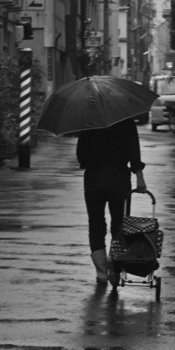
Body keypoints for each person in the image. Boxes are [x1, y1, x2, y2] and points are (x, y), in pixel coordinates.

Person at [76, 119, 147, 285]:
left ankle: (101, 272)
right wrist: (139, 176)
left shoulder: (89, 121)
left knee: (96, 223)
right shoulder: (126, 121)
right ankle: (115, 263)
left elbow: (81, 154)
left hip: (93, 180)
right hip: (119, 179)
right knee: (119, 224)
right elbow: (133, 151)